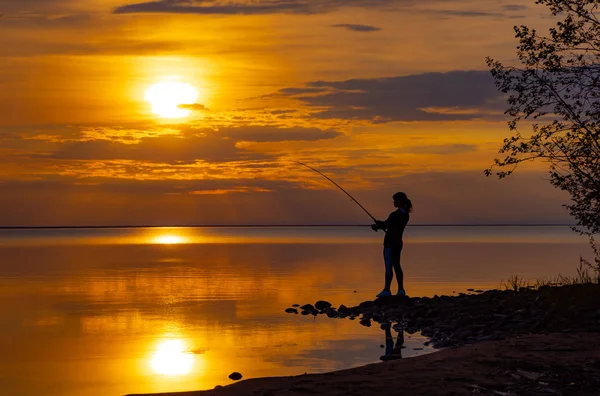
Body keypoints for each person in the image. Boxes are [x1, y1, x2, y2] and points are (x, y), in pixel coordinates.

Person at [371, 192, 412, 298]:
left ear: (399, 201)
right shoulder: (406, 214)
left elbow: (387, 224)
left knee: (389, 266)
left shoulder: (395, 215)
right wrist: (380, 225)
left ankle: (386, 290)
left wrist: (378, 225)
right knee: (397, 266)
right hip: (398, 242)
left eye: (395, 200)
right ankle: (401, 290)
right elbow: (391, 226)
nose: (393, 202)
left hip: (390, 243)